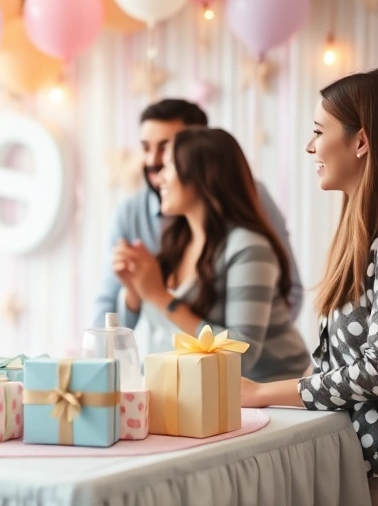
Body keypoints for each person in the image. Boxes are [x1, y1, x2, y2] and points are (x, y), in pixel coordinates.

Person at [240, 69, 378, 505]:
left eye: (319, 131)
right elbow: (335, 367)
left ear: (361, 141)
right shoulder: (371, 229)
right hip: (354, 463)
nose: (311, 146)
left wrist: (262, 393)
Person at [113, 128, 310, 381]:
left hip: (272, 392)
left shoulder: (248, 248)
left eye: (169, 166)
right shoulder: (179, 241)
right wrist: (134, 290)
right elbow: (138, 325)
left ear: (201, 176)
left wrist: (160, 297)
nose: (159, 178)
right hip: (207, 389)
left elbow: (242, 355)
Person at [95, 99, 303, 327]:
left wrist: (260, 330)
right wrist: (135, 292)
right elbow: (113, 310)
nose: (153, 162)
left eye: (167, 150)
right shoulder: (154, 223)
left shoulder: (247, 237)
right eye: (146, 148)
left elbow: (283, 297)